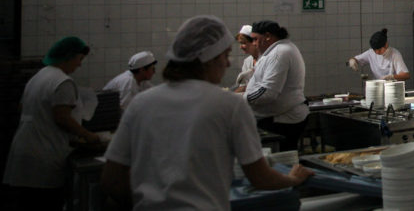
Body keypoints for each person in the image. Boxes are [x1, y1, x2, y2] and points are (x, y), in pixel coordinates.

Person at [101, 15, 313, 210]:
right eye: (225, 56)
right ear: (209, 59)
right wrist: (293, 179)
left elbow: (112, 180)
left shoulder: (141, 103)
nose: (228, 63)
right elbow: (260, 178)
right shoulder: (229, 106)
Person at [3, 37, 101, 211]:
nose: (79, 65)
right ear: (68, 56)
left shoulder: (38, 76)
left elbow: (22, 107)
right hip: (44, 153)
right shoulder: (63, 82)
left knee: (27, 202)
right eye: (79, 59)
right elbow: (62, 118)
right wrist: (88, 135)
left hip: (24, 148)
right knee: (46, 202)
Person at [245, 20, 308, 152]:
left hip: (283, 120)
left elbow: (267, 92)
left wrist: (242, 99)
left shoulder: (280, 53)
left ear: (268, 36)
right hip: (278, 117)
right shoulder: (276, 51)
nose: (254, 44)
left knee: (281, 158)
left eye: (255, 39)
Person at [234, 25, 259, 92]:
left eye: (243, 43)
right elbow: (243, 86)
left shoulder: (265, 58)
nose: (241, 47)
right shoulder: (247, 61)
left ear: (254, 42)